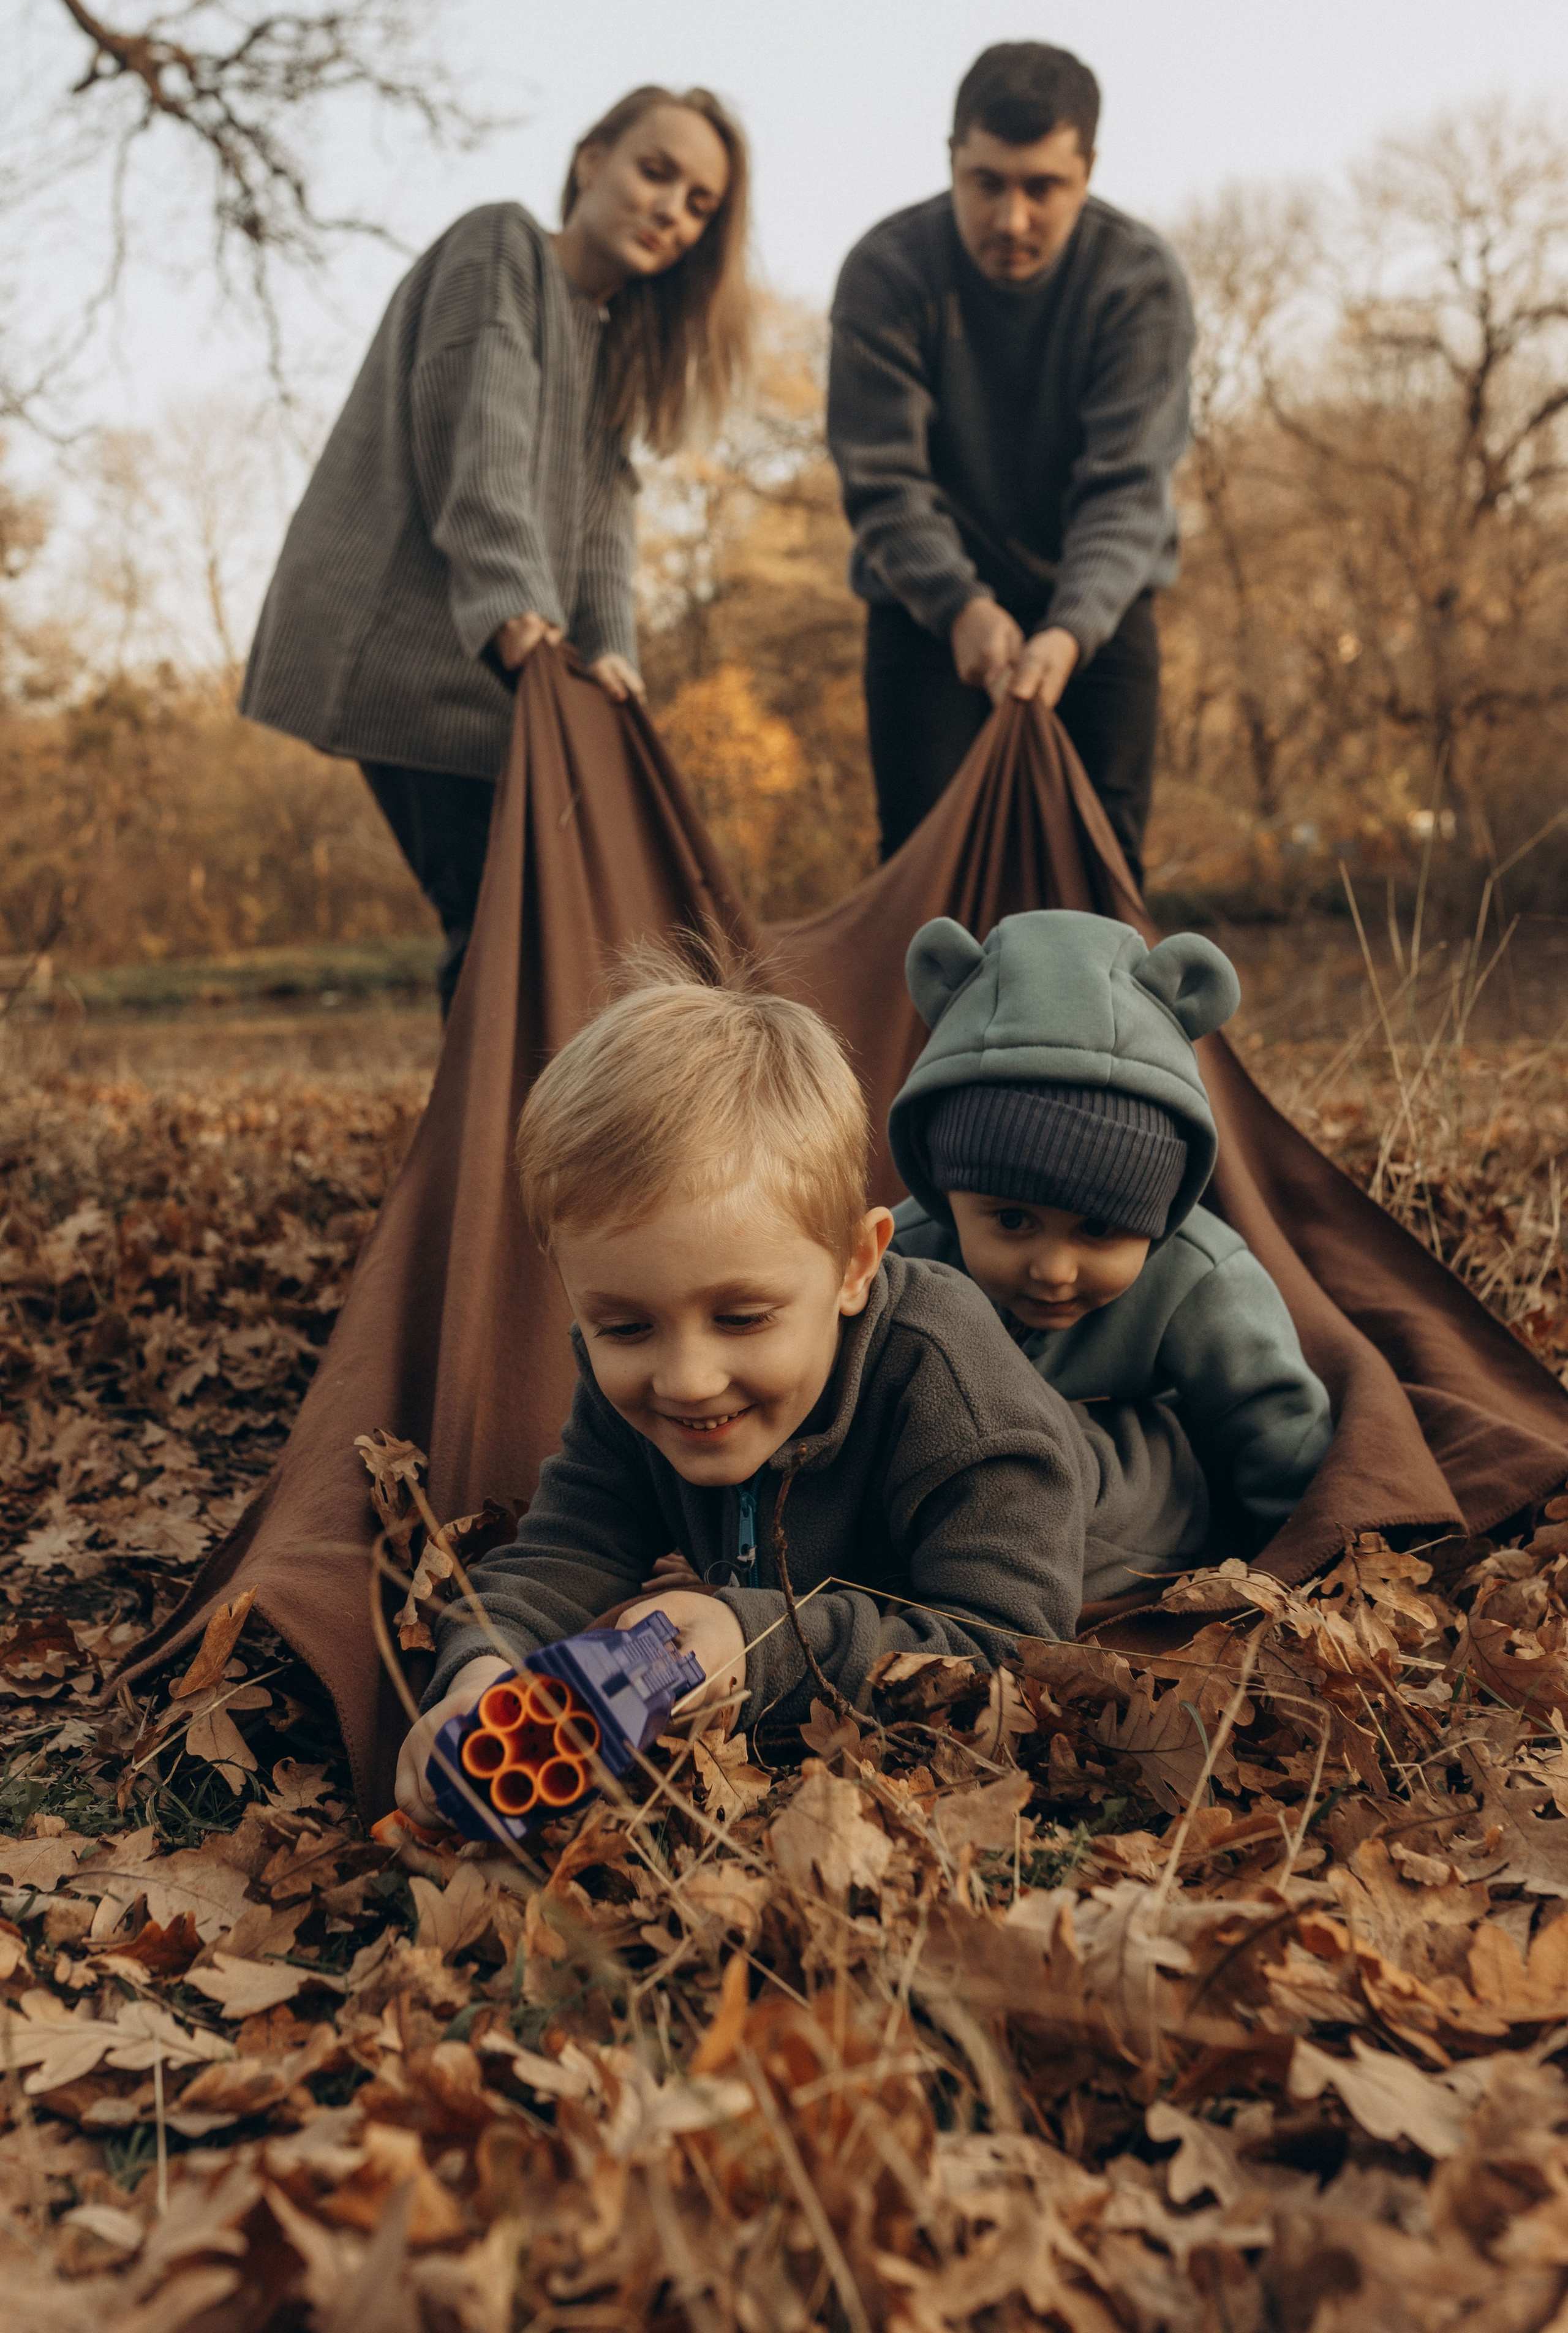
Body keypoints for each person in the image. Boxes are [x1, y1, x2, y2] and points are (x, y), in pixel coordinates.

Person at [396, 950, 1208, 1821]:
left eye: (743, 1318)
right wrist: (484, 1665)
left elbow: (1000, 1654)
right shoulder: (627, 1387)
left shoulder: (954, 1395)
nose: (687, 1378)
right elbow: (568, 1549)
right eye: (625, 1327)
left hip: (1142, 1502)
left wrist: (762, 1643)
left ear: (857, 1264)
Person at [241, 87, 752, 1014]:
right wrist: (517, 606)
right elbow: (480, 432)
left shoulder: (608, 340)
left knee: (538, 918)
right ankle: (482, 1155)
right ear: (591, 159)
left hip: (502, 658)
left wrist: (610, 656)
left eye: (699, 204)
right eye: (656, 171)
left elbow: (604, 527)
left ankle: (523, 1145)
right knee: (497, 919)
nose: (673, 209)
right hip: (411, 644)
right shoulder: (501, 245)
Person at [826, 42, 1194, 875]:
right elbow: (883, 485)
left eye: (1043, 188)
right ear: (953, 158)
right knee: (925, 888)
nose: (1011, 219)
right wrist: (960, 606)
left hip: (1096, 610)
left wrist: (1070, 628)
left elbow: (1129, 488)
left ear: (1087, 172)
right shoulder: (885, 272)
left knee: (1102, 876)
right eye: (986, 182)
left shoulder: (1140, 282)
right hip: (929, 614)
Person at [888, 910, 1334, 1561]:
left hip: (1136, 1530)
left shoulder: (1199, 1280)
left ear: (1160, 1216)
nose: (1054, 1269)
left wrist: (1292, 1569)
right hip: (946, 1511)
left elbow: (1277, 1430)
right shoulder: (904, 1262)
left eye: (1098, 1230)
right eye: (1012, 1221)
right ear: (944, 1190)